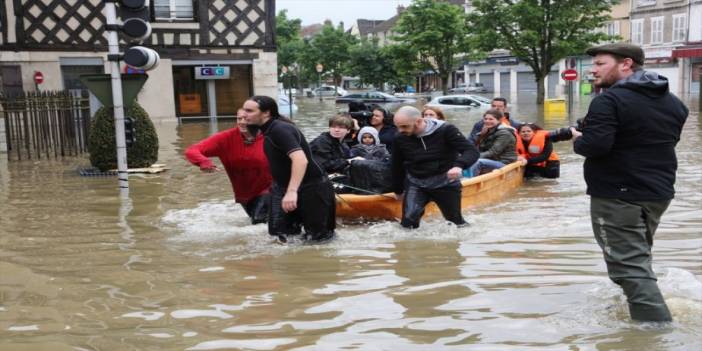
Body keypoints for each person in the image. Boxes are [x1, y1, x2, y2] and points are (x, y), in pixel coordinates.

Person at [572, 43, 688, 322]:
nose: (592, 70)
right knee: (638, 259)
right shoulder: (674, 103)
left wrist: (579, 140)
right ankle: (639, 310)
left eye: (600, 64)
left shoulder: (608, 100)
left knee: (628, 267)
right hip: (658, 193)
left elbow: (596, 146)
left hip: (617, 196)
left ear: (626, 64)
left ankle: (652, 332)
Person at [242, 95, 336, 243]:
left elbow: (300, 160)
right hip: (282, 188)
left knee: (318, 240)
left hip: (312, 188)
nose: (243, 114)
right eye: (243, 110)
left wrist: (292, 192)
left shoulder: (280, 129)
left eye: (249, 111)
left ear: (266, 113)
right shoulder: (266, 130)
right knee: (281, 238)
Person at [391, 106, 479, 229]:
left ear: (418, 121)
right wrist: (398, 190)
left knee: (455, 222)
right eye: (398, 126)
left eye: (404, 126)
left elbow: (471, 151)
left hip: (445, 182)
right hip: (416, 182)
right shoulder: (399, 137)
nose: (400, 130)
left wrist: (459, 166)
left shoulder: (446, 130)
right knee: (408, 222)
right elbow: (396, 164)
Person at [184, 109, 271, 224]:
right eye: (239, 119)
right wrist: (204, 162)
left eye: (247, 119)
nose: (242, 122)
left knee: (259, 222)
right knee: (258, 224)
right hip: (244, 194)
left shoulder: (270, 136)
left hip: (271, 189)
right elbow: (192, 150)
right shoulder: (226, 138)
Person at [466, 109, 518, 177]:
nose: (487, 121)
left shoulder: (505, 133)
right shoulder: (488, 131)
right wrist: (482, 135)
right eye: (485, 119)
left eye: (491, 119)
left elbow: (493, 152)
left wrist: (473, 157)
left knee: (478, 162)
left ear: (499, 120)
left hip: (504, 162)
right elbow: (479, 148)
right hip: (491, 160)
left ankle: (468, 181)